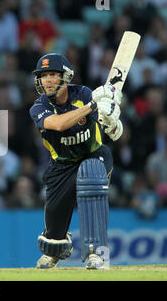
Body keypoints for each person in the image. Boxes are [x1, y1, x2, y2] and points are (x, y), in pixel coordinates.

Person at [29, 53, 123, 269]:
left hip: (93, 155)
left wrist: (113, 120)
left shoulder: (83, 94)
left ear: (66, 76)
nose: (48, 80)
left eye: (53, 74)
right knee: (52, 241)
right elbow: (59, 124)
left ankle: (97, 253)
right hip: (61, 165)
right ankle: (58, 247)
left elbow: (113, 129)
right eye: (43, 76)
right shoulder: (38, 107)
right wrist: (92, 106)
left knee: (91, 176)